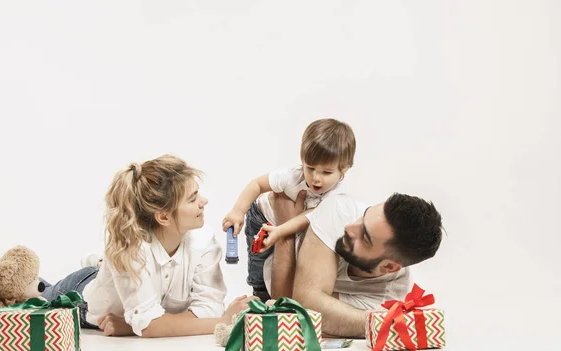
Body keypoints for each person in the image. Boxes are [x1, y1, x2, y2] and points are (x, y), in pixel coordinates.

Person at [40, 154, 257, 337]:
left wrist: (140, 325)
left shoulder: (203, 240)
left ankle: (100, 265)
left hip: (125, 287)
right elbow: (151, 326)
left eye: (197, 193)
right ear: (163, 217)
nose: (204, 201)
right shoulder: (131, 250)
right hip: (82, 300)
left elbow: (208, 310)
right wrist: (225, 321)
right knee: (35, 297)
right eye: (192, 199)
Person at [264, 190, 443, 338]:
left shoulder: (386, 299)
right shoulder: (340, 210)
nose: (349, 228)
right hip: (265, 225)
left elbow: (292, 308)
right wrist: (284, 230)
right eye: (363, 216)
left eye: (364, 237)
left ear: (388, 267)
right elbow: (304, 301)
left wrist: (379, 324)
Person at [221, 118, 357, 302]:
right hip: (262, 218)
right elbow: (257, 184)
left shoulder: (337, 199)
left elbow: (308, 217)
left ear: (345, 170)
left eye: (326, 172)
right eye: (310, 168)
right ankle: (259, 292)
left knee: (296, 263)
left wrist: (280, 231)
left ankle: (281, 295)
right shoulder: (293, 176)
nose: (316, 178)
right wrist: (238, 210)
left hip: (292, 225)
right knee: (258, 260)